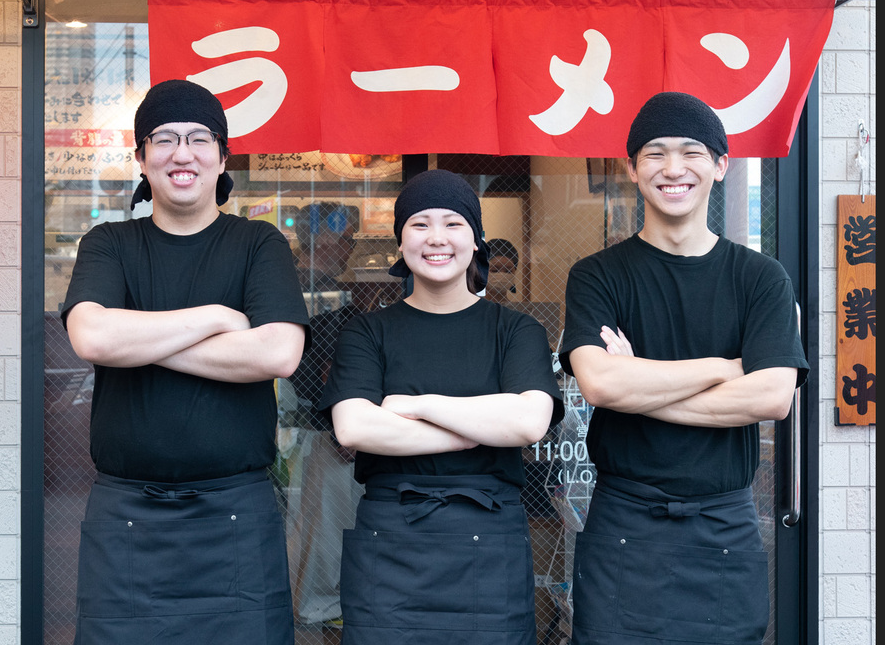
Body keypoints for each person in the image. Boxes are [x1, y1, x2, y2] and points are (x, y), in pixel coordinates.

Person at [62, 79, 309, 644]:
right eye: (164, 138)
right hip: (127, 517)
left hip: (236, 515)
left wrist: (140, 341)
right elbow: (93, 338)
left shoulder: (258, 243)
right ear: (141, 157)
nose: (182, 153)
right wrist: (219, 317)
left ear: (222, 157)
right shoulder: (108, 243)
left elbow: (278, 351)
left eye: (200, 138)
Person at [558, 92, 809, 645]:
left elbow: (771, 397)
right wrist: (725, 367)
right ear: (632, 168)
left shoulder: (761, 278)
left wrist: (640, 384)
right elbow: (601, 384)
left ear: (721, 166)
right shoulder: (597, 276)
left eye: (692, 152)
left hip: (723, 528)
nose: (673, 168)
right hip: (624, 523)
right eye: (655, 153)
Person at [317, 169, 563, 644]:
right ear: (401, 241)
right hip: (391, 541)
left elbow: (528, 421)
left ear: (476, 240)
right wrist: (476, 429)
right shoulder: (366, 332)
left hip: (489, 542)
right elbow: (354, 428)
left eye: (453, 223)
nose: (436, 238)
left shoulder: (516, 331)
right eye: (420, 224)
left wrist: (419, 405)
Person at [285, 202, 366, 628]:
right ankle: (318, 606)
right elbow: (314, 367)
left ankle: (321, 604)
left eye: (350, 239)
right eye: (344, 238)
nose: (349, 247)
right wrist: (338, 424)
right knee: (322, 526)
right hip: (317, 428)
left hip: (321, 426)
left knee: (317, 524)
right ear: (318, 237)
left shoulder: (334, 291)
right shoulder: (302, 290)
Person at [484, 238, 520, 303]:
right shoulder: (470, 307)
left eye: (508, 271)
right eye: (494, 270)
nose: (502, 275)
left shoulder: (516, 308)